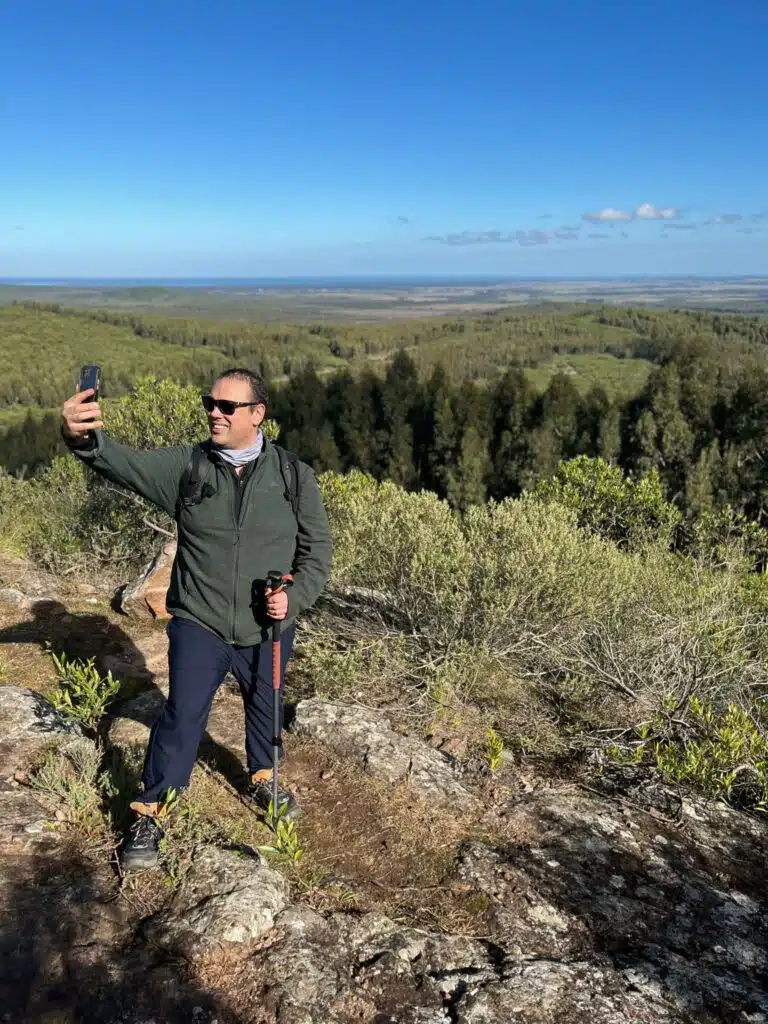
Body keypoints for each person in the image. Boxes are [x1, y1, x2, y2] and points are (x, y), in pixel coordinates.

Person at [61, 368, 333, 871]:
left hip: (268, 625)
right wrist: (82, 437)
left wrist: (292, 601)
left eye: (228, 406)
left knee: (266, 702)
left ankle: (263, 776)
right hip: (199, 623)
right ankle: (152, 809)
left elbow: (317, 553)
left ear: (257, 414)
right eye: (212, 403)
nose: (214, 412)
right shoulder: (188, 466)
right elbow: (120, 463)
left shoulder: (294, 476)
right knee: (182, 715)